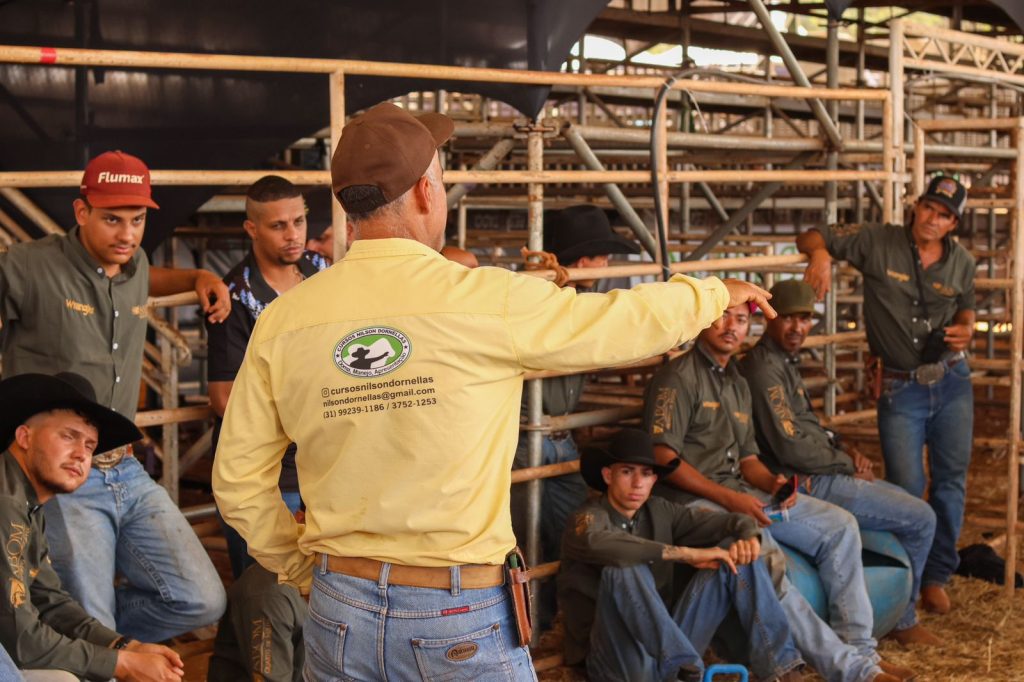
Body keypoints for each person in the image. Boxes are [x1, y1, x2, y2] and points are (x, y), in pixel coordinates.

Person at [212, 101, 775, 681]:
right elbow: (620, 321)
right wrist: (711, 294)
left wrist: (303, 569)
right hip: (455, 610)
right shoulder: (486, 299)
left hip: (339, 607)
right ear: (429, 192)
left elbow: (237, 480)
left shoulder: (286, 320)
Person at [0, 150, 227, 640]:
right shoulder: (25, 266)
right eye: (112, 219)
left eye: (137, 219)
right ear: (81, 212)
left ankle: (72, 639)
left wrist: (198, 277)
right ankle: (86, 641)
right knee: (91, 620)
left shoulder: (135, 265)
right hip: (63, 473)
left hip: (125, 465)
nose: (126, 234)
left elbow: (149, 279)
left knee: (201, 598)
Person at [644, 303, 913, 682]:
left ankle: (861, 650)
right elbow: (662, 457)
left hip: (742, 492)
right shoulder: (677, 378)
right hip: (694, 502)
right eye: (722, 316)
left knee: (841, 525)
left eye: (741, 320)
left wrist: (774, 484)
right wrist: (730, 500)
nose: (730, 327)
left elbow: (750, 459)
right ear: (703, 320)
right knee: (764, 554)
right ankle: (853, 672)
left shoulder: (736, 381)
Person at [797, 175, 975, 614]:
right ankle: (905, 589)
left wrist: (967, 327)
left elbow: (967, 303)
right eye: (930, 208)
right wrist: (819, 255)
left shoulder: (962, 262)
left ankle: (936, 575)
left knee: (951, 482)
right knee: (907, 489)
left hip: (952, 380)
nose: (934, 219)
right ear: (916, 206)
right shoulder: (877, 240)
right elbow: (812, 233)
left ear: (954, 224)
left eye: (946, 215)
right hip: (900, 385)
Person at [739, 279, 939, 645]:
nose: (798, 327)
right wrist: (846, 465)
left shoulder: (780, 361)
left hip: (821, 468)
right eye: (788, 318)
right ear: (769, 319)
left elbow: (808, 427)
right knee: (922, 517)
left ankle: (889, 614)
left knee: (906, 501)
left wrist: (845, 447)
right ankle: (903, 619)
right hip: (808, 478)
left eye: (805, 319)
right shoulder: (763, 370)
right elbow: (790, 447)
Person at [558, 428, 804, 682]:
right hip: (615, 657)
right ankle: (683, 668)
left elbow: (730, 522)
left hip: (669, 650)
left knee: (734, 554)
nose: (637, 483)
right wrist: (685, 554)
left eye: (646, 473)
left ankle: (782, 670)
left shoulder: (660, 510)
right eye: (627, 472)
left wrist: (749, 535)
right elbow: (597, 542)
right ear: (608, 475)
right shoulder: (587, 518)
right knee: (625, 566)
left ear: (654, 480)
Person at [0, 371, 185, 681]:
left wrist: (126, 646)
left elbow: (50, 601)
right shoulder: (7, 502)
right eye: (68, 436)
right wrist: (122, 663)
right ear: (25, 436)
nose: (81, 455)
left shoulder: (30, 504)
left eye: (89, 445)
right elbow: (23, 640)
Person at [511, 204, 641, 629]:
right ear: (584, 261)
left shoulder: (579, 301)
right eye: (603, 258)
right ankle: (532, 625)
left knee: (561, 530)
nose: (606, 267)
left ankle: (546, 622)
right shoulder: (540, 297)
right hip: (526, 434)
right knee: (526, 534)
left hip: (555, 434)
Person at [206, 175, 328, 577]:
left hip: (324, 461)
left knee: (323, 584)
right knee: (266, 591)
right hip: (271, 473)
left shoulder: (321, 270)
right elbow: (223, 399)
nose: (293, 235)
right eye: (278, 226)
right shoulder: (235, 295)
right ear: (251, 229)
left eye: (298, 221)